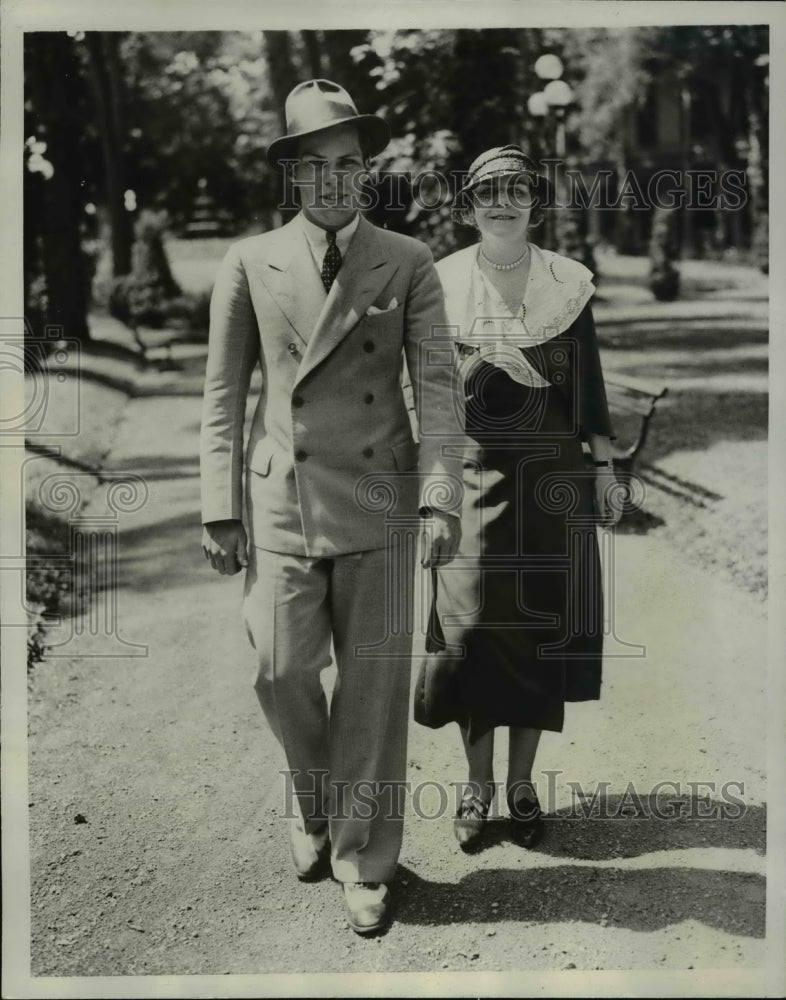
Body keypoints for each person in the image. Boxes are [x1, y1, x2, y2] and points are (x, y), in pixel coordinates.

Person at [200, 79, 462, 934]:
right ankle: (313, 801)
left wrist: (440, 495)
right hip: (283, 499)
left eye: (348, 164)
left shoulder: (409, 261)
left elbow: (437, 388)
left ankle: (365, 859)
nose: (334, 181)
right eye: (315, 166)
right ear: (294, 176)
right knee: (279, 669)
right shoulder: (247, 261)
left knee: (375, 692)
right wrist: (218, 507)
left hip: (382, 499)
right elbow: (221, 396)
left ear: (366, 172)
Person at [414, 145, 621, 852]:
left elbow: (588, 385)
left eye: (515, 191)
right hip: (472, 472)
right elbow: (428, 390)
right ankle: (475, 787)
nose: (501, 203)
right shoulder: (438, 283)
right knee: (470, 628)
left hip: (550, 478)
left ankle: (524, 786)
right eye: (486, 193)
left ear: (535, 201)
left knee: (538, 627)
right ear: (468, 207)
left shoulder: (567, 283)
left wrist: (602, 469)